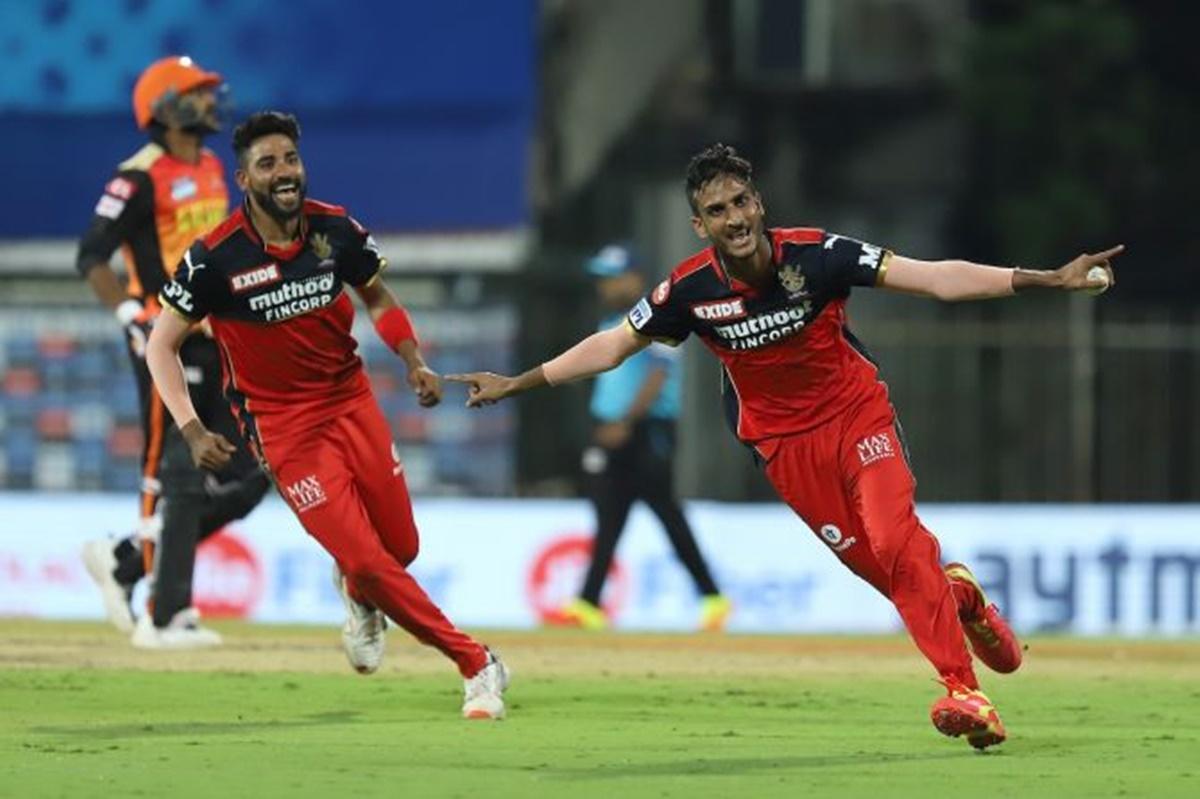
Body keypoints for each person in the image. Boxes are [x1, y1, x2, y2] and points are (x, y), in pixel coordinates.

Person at [449, 143, 1123, 749]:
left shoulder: (819, 254)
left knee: (895, 540)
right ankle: (966, 601)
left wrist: (1049, 279)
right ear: (701, 226)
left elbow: (936, 277)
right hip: (786, 453)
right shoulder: (689, 290)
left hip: (859, 418)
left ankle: (965, 691)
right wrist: (518, 382)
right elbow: (611, 346)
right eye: (718, 209)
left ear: (759, 202)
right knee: (895, 578)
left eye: (742, 201)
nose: (735, 217)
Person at [145, 111, 510, 719]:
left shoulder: (336, 229)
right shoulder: (215, 258)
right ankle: (477, 662)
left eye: (290, 158)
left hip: (351, 402)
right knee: (369, 557)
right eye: (268, 163)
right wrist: (190, 425)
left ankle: (359, 593)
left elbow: (378, 296)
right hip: (282, 428)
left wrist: (412, 359)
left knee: (399, 548)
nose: (284, 172)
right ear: (244, 179)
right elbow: (161, 345)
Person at [76, 56, 269, 648]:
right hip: (162, 338)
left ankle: (127, 560)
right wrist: (131, 316)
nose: (213, 102)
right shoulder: (136, 176)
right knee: (172, 466)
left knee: (248, 474)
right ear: (167, 107)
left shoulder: (213, 166)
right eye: (200, 93)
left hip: (216, 339)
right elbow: (91, 256)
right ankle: (165, 614)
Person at [555, 242, 731, 631]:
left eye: (612, 278)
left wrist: (626, 422)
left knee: (665, 514)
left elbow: (657, 376)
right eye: (601, 279)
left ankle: (713, 597)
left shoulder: (657, 318)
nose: (604, 286)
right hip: (614, 431)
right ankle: (588, 603)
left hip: (645, 432)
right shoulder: (611, 325)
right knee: (611, 517)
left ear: (635, 278)